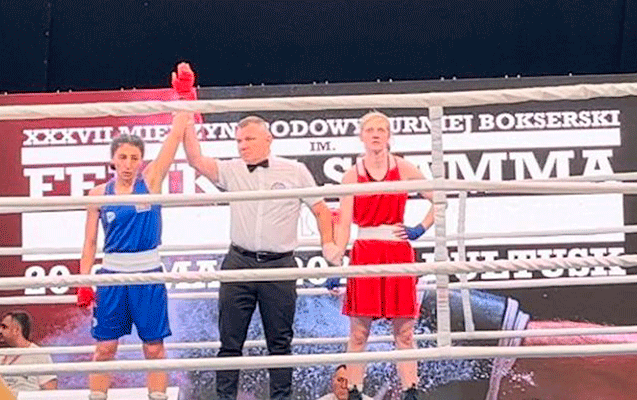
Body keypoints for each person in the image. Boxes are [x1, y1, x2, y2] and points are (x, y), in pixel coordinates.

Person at [182, 97, 341, 398]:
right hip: (238, 262)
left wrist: (329, 245)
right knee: (230, 342)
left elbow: (321, 210)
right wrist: (186, 115)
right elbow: (195, 160)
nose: (242, 145)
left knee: (279, 343)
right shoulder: (232, 169)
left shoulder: (295, 171)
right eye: (239, 140)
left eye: (249, 139)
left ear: (268, 140)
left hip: (279, 265)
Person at [75, 64, 193, 400]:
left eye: (135, 157)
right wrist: (84, 281)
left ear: (142, 160)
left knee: (154, 348)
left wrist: (184, 96)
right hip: (112, 276)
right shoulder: (98, 194)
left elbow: (175, 136)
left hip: (148, 275)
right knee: (104, 348)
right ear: (113, 160)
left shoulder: (151, 181)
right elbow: (89, 242)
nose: (129, 163)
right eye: (123, 157)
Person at [331, 111, 434, 400]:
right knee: (359, 332)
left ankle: (411, 392)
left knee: (404, 332)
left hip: (397, 249)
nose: (376, 134)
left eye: (381, 129)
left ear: (389, 136)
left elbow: (439, 198)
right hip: (365, 251)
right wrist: (336, 265)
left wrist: (420, 228)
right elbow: (343, 226)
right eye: (370, 130)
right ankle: (354, 392)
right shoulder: (352, 175)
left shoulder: (403, 167)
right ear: (361, 136)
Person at [0, 311, 57, 396]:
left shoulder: (38, 354)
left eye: (4, 327)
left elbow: (51, 390)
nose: (0, 331)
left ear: (16, 330)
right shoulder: (2, 354)